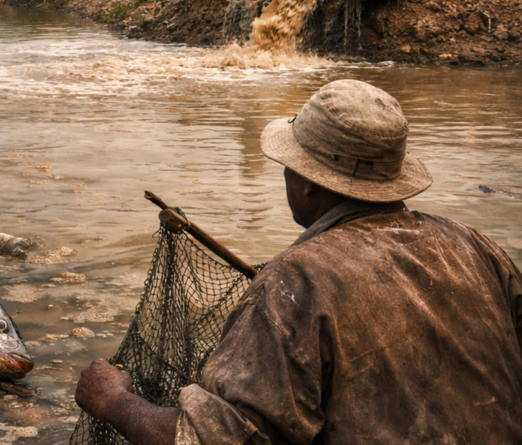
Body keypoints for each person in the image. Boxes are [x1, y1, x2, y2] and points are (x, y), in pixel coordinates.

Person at [74, 79, 522, 444]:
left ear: (308, 183)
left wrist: (113, 401)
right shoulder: (475, 244)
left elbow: (215, 439)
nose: (286, 176)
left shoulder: (292, 283)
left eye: (289, 166)